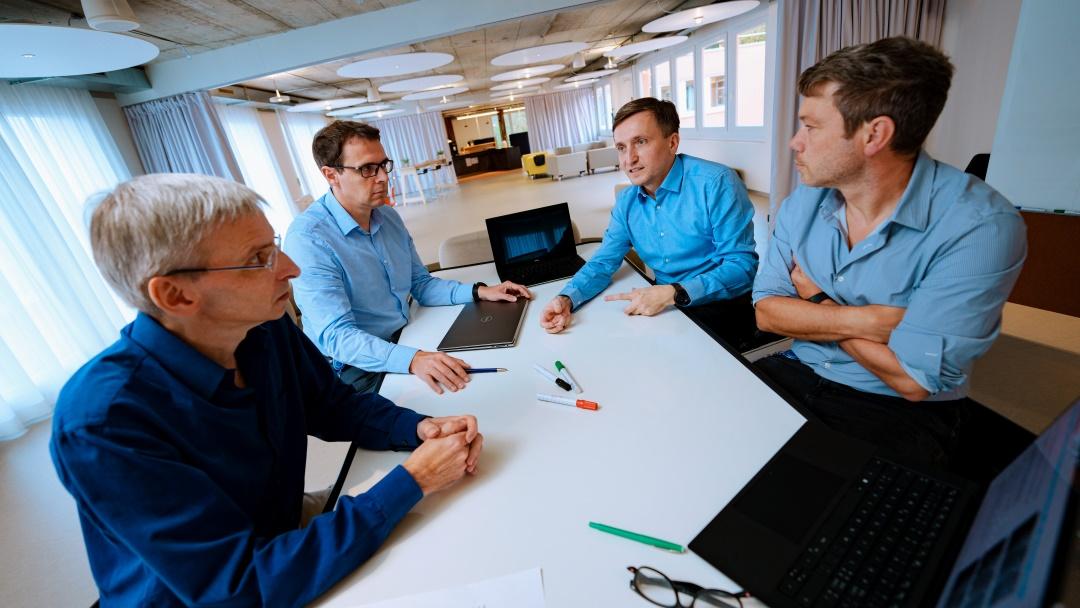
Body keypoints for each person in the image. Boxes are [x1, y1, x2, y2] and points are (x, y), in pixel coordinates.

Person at [50, 174, 484, 606]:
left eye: (272, 244)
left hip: (278, 530)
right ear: (175, 295)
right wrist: (413, 480)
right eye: (258, 258)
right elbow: (237, 587)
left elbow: (334, 405)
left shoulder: (263, 325)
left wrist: (419, 427)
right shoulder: (104, 421)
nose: (290, 268)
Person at [752, 37, 1027, 467]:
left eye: (811, 126)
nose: (795, 142)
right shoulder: (804, 202)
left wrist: (816, 300)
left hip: (894, 409)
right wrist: (866, 320)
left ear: (874, 134)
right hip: (798, 368)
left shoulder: (981, 228)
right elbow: (767, 313)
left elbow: (912, 379)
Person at [285, 121, 531, 395]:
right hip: (353, 368)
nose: (383, 178)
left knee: (495, 367)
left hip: (406, 335)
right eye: (367, 169)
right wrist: (412, 360)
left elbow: (420, 284)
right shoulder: (308, 239)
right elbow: (337, 338)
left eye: (383, 165)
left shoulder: (387, 216)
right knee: (455, 407)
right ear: (331, 175)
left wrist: (480, 291)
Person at [538, 98, 761, 349]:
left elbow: (742, 267)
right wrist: (567, 298)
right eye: (621, 148)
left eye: (640, 142)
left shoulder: (716, 183)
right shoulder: (627, 202)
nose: (628, 159)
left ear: (672, 142)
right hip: (666, 303)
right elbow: (604, 261)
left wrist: (674, 292)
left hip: (722, 307)